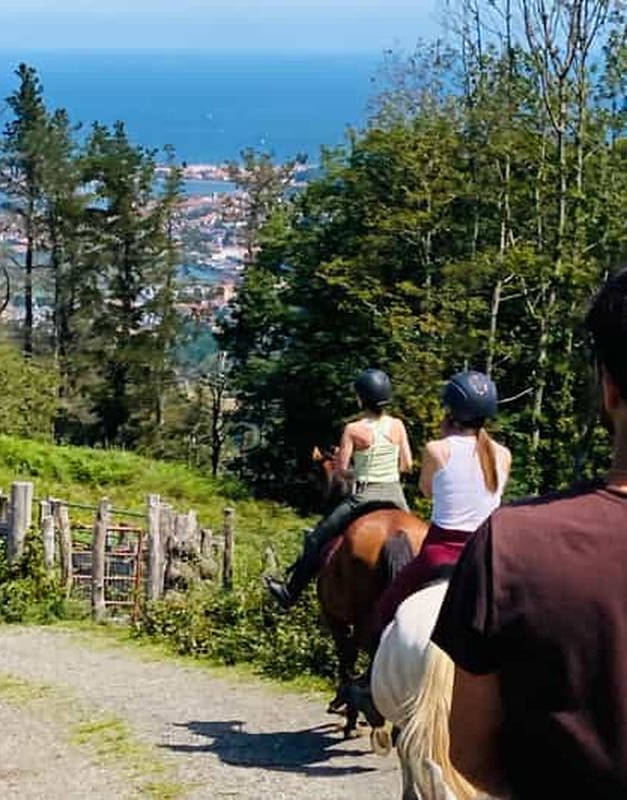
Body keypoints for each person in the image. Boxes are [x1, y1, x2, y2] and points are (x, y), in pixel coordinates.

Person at [432, 269, 627, 800]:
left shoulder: (506, 538)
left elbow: (470, 755)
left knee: (389, 596)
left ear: (609, 388)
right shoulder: (500, 453)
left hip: (455, 544)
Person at [353, 370, 511, 728]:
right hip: (486, 556)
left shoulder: (436, 449)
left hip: (439, 552)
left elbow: (426, 491)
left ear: (450, 410)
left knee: (385, 609)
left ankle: (369, 683)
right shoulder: (502, 454)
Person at [265, 368, 413, 609]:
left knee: (316, 538)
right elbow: (407, 465)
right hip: (396, 494)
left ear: (360, 399)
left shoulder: (353, 429)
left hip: (364, 495)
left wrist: (359, 472)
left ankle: (290, 592)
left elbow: (342, 469)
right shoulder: (398, 425)